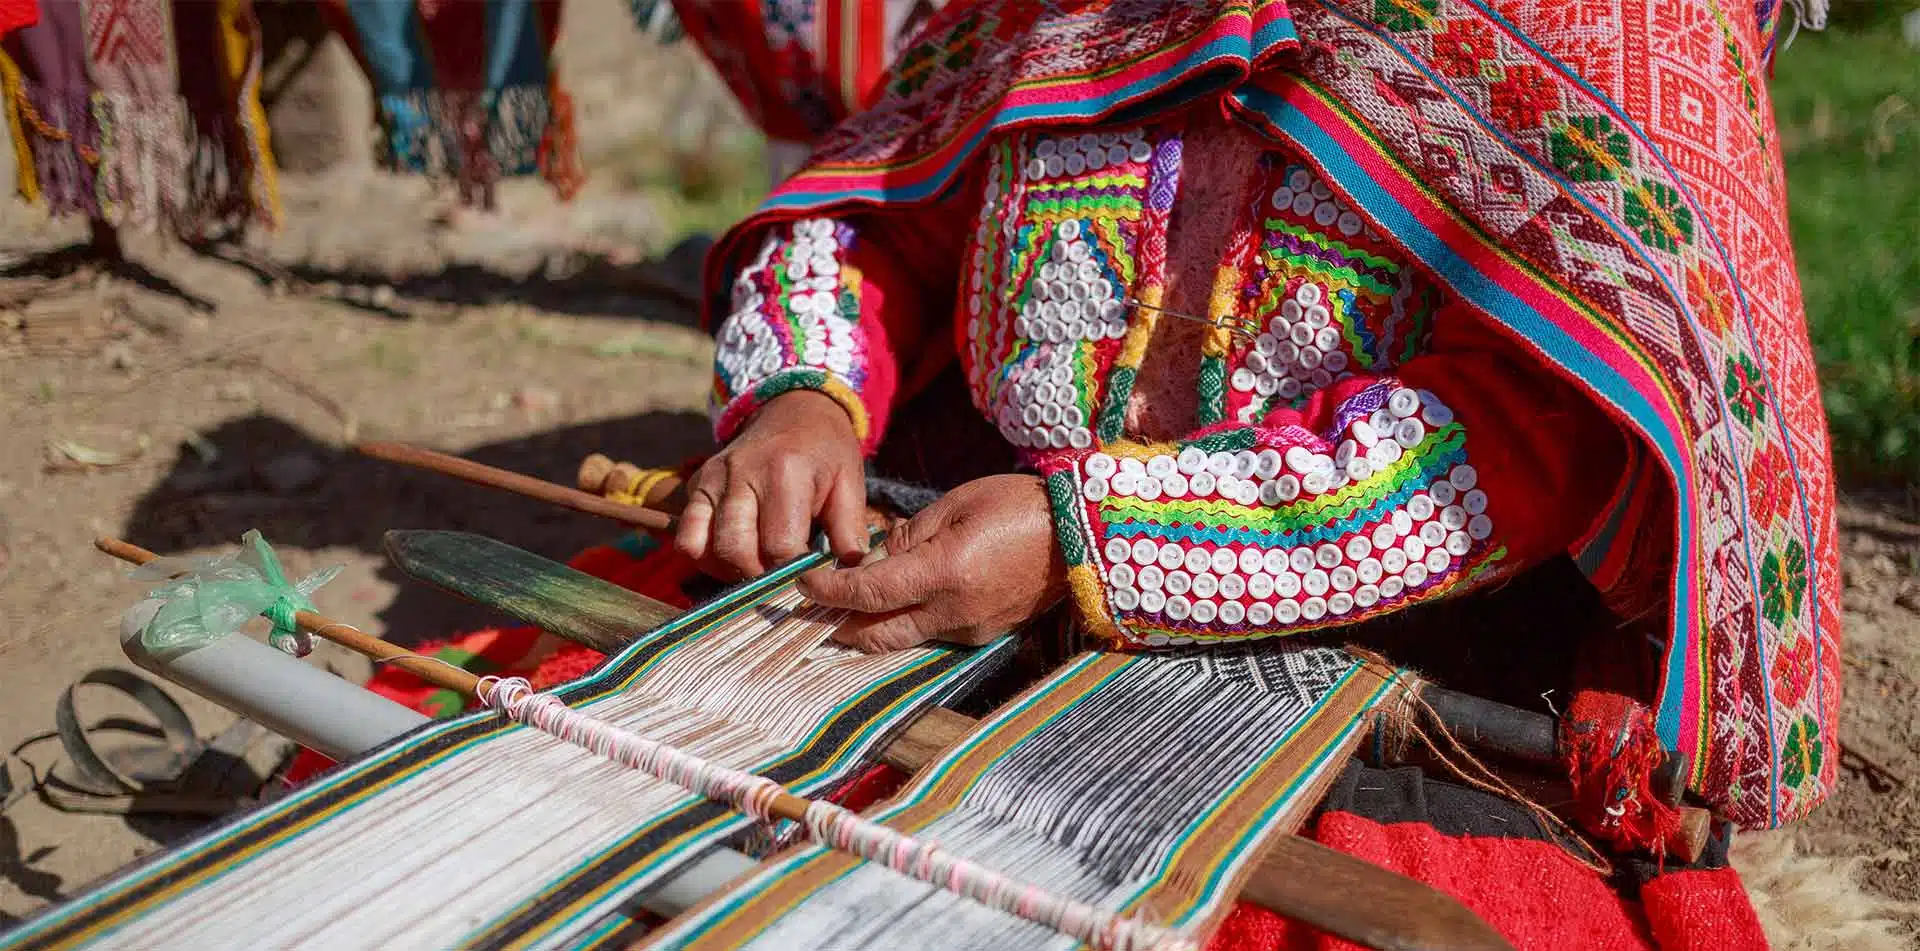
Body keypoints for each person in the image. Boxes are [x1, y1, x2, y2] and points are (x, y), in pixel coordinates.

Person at [673, 0, 1842, 841]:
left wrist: (1098, 543)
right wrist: (804, 398)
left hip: (1382, 668)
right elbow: (891, 204)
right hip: (979, 577)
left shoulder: (1615, 27)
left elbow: (1538, 429)